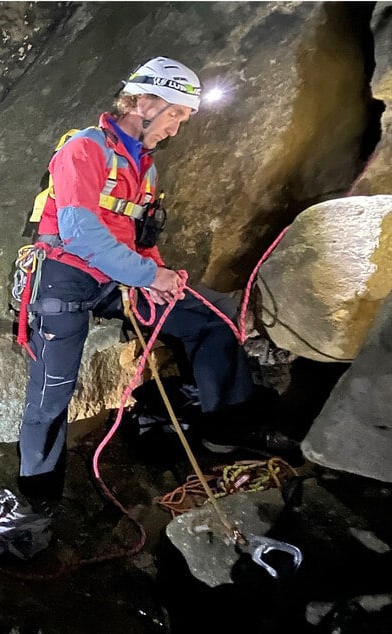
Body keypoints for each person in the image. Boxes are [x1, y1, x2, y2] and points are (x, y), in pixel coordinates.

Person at [17, 57, 277, 512]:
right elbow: (79, 231)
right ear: (142, 102)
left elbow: (144, 236)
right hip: (66, 276)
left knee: (213, 319)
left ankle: (225, 431)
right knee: (51, 393)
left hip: (121, 276)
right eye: (175, 113)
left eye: (183, 118)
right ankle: (37, 499)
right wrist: (146, 274)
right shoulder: (83, 150)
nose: (177, 128)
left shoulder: (146, 168)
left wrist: (159, 275)